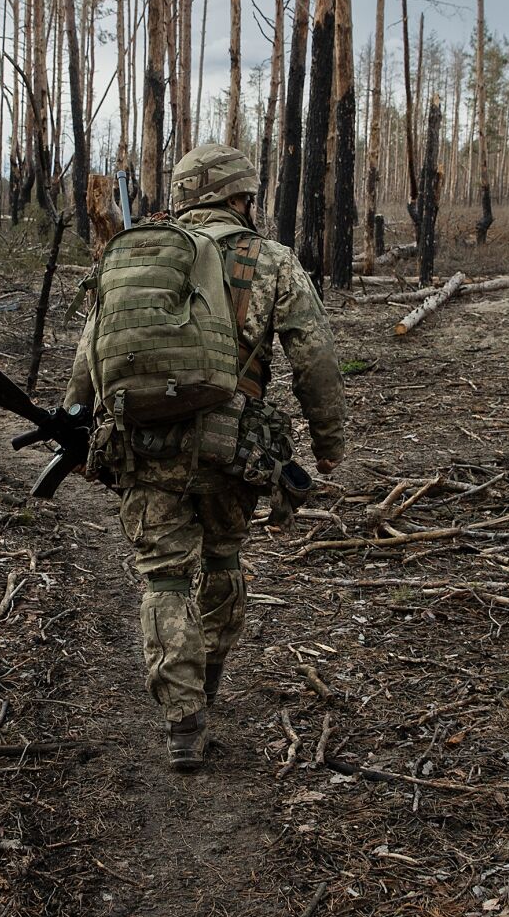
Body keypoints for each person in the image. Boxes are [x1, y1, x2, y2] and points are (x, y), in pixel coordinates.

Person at [65, 142, 349, 771]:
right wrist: (328, 442)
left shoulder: (137, 257)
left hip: (146, 445)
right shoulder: (269, 260)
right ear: (240, 196)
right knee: (222, 558)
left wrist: (79, 421)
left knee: (163, 576)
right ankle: (210, 687)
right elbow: (316, 356)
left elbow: (91, 354)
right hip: (234, 449)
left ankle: (181, 719)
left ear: (186, 195)